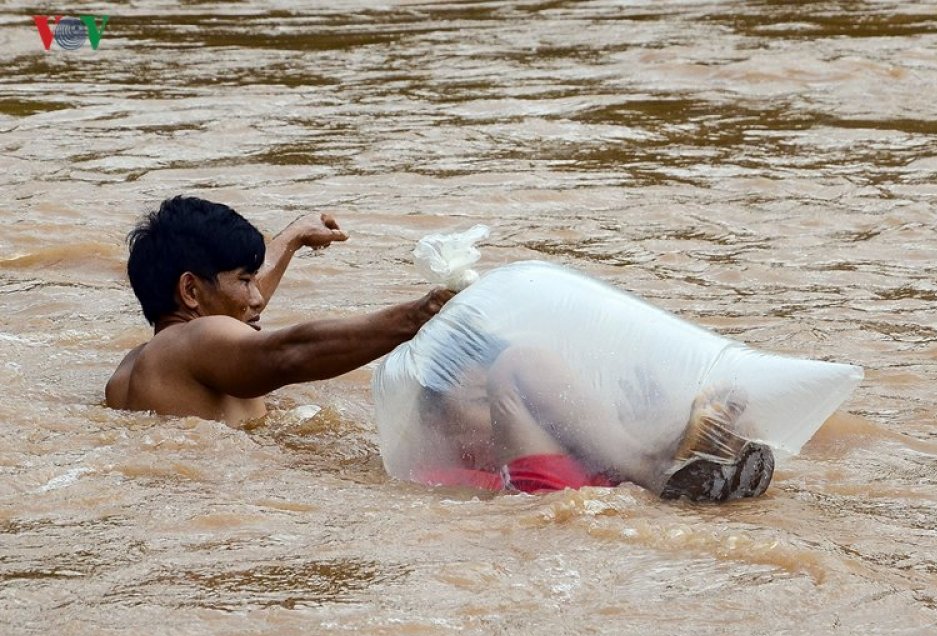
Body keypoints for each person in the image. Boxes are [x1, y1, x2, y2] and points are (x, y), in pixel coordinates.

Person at [106, 195, 453, 426]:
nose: (257, 298)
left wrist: (296, 235)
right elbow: (288, 353)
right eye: (244, 280)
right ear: (191, 290)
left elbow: (237, 311)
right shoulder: (194, 339)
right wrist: (421, 313)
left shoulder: (135, 366)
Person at [414, 330, 775, 502]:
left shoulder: (569, 443)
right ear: (440, 424)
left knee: (741, 430)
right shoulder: (435, 477)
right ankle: (657, 465)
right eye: (484, 400)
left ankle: (669, 456)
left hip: (606, 498)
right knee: (517, 363)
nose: (501, 415)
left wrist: (644, 425)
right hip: (543, 499)